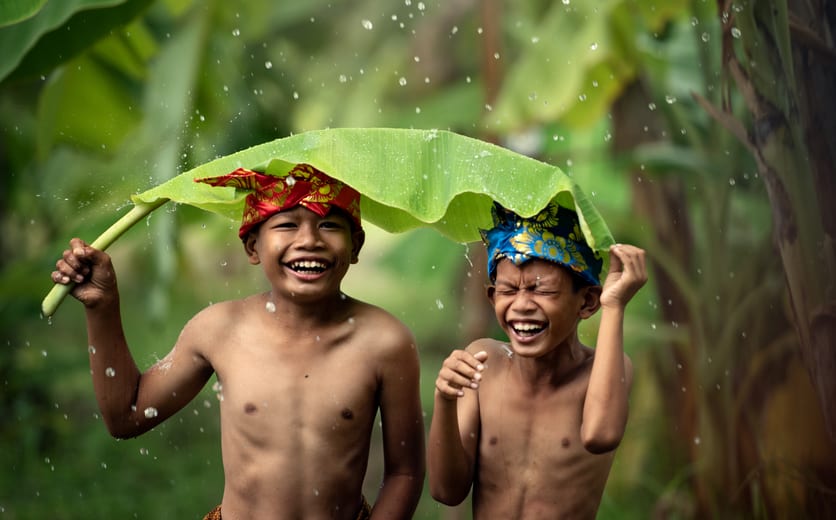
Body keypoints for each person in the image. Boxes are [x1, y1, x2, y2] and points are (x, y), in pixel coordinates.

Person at [52, 163, 426, 519]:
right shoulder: (220, 329)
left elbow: (405, 473)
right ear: (252, 247)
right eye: (287, 224)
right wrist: (103, 306)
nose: (309, 240)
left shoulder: (385, 342)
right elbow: (127, 416)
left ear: (355, 245)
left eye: (329, 224)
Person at [428, 201, 647, 519]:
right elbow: (446, 491)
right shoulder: (483, 363)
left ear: (586, 302)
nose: (522, 305)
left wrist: (614, 306)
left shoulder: (603, 372)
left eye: (541, 291)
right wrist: (444, 400)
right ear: (492, 298)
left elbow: (601, 436)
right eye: (508, 290)